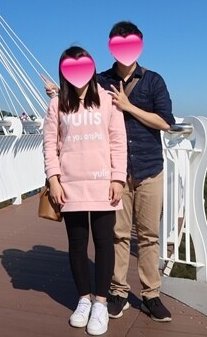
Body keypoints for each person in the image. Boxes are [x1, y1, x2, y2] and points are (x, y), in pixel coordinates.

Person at [43, 21, 175, 323]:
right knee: (115, 236)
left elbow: (166, 122)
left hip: (147, 167)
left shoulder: (153, 81)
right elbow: (78, 96)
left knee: (148, 235)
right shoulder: (101, 80)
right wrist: (56, 92)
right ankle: (115, 293)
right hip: (111, 173)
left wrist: (128, 106)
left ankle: (151, 295)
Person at [43, 46, 127, 336]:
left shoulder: (107, 101)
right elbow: (50, 144)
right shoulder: (57, 105)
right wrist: (54, 179)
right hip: (70, 185)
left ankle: (100, 303)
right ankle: (83, 299)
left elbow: (118, 141)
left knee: (104, 242)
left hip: (103, 183)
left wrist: (118, 178)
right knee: (77, 244)